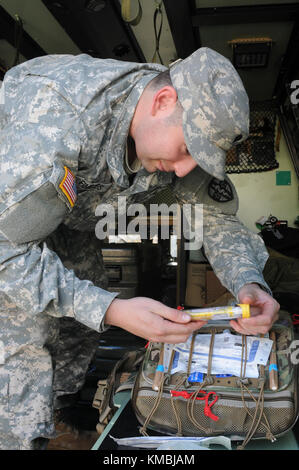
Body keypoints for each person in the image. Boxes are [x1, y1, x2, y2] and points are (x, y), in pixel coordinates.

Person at [0, 47, 279, 449]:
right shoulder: (57, 119)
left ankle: (59, 410)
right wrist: (112, 310)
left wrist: (248, 282)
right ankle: (19, 437)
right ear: (163, 101)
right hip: (10, 215)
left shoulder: (173, 119)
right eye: (186, 150)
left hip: (67, 215)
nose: (185, 169)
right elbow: (7, 252)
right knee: (26, 330)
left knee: (82, 316)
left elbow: (214, 217)